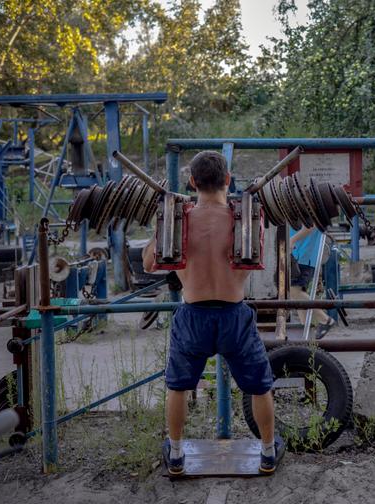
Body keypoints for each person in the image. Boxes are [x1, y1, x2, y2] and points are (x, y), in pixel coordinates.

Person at [142, 151, 282, 476]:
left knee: (178, 386)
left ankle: (175, 455)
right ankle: (267, 453)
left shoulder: (179, 220)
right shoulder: (247, 218)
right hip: (234, 314)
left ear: (192, 182)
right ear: (228, 180)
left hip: (193, 315)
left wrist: (161, 224)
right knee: (260, 386)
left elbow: (150, 264)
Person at [289, 225, 337, 339]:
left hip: (302, 255)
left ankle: (325, 320)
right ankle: (305, 334)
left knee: (294, 291)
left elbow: (310, 226)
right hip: (301, 254)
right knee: (298, 297)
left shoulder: (309, 209)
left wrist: (291, 240)